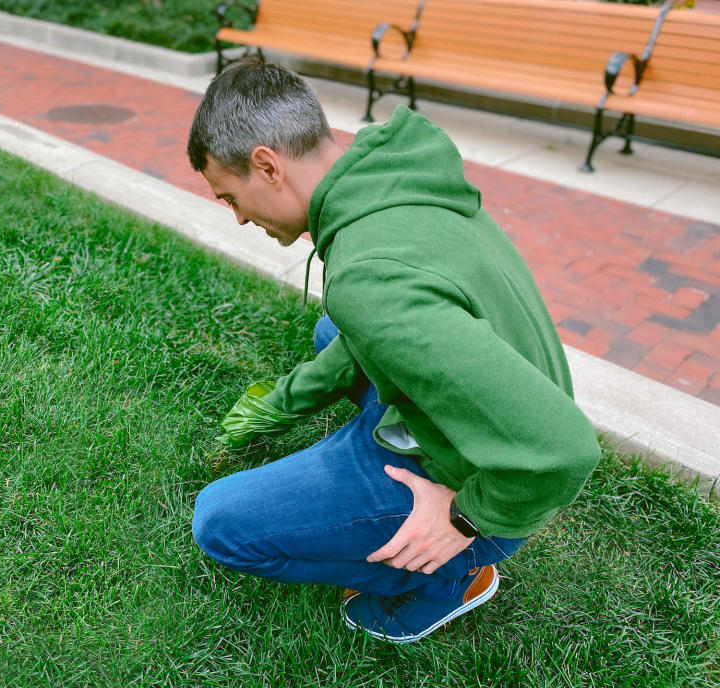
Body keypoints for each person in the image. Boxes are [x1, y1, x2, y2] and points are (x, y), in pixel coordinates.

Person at [187, 59, 600, 644]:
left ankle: (448, 577)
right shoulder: (392, 177)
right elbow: (366, 333)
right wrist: (278, 405)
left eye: (231, 197)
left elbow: (563, 447)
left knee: (222, 524)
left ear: (266, 165)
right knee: (336, 330)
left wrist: (465, 519)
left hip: (492, 475)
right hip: (492, 413)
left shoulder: (369, 276)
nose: (238, 217)